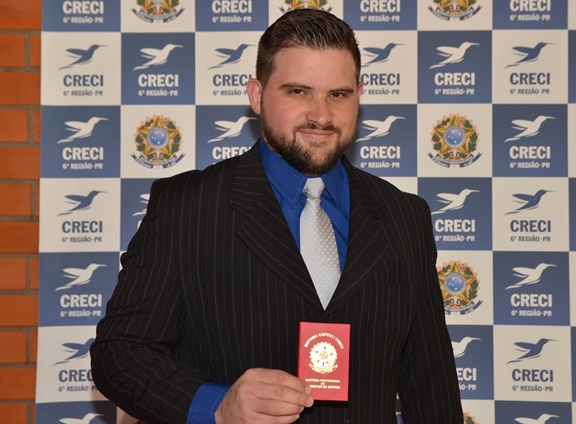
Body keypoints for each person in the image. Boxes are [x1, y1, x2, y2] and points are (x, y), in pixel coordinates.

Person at [91, 8, 462, 424]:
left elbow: (432, 388)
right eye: (298, 92)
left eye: (338, 95)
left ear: (359, 95)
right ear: (257, 95)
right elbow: (119, 353)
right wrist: (217, 405)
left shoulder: (404, 216)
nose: (321, 115)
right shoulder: (187, 207)